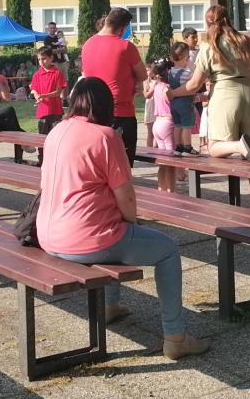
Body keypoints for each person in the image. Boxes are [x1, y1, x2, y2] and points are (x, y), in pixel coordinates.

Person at [37, 77, 209, 361]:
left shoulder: (56, 131)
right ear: (106, 106)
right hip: (86, 239)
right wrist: (132, 222)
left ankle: (110, 306)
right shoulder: (105, 136)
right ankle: (175, 338)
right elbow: (126, 199)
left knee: (115, 228)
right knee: (166, 249)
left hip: (48, 235)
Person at [169, 5, 250, 209]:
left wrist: (172, 93)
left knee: (214, 147)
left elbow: (194, 84)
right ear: (228, 19)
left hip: (225, 95)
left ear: (208, 23)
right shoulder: (247, 42)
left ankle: (238, 146)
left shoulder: (210, 45)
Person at [80, 7, 147, 164]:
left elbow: (86, 72)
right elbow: (143, 75)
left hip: (93, 111)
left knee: (98, 164)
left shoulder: (87, 44)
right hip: (120, 113)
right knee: (121, 165)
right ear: (123, 28)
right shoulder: (126, 47)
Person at [147, 61, 179, 193]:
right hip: (167, 123)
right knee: (170, 162)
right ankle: (171, 191)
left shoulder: (156, 86)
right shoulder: (167, 88)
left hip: (157, 123)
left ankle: (161, 188)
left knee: (162, 161)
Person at [167, 41, 197, 156]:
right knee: (186, 127)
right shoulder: (187, 73)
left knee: (177, 125)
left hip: (173, 104)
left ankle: (178, 147)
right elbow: (193, 84)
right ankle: (187, 147)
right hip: (185, 103)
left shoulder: (170, 72)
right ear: (187, 58)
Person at [30, 46, 67, 139]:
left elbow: (58, 92)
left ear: (51, 58)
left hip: (55, 111)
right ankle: (42, 149)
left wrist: (43, 96)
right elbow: (34, 89)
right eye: (39, 59)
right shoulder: (37, 75)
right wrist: (37, 96)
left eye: (44, 59)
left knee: (56, 137)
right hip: (43, 111)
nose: (41, 62)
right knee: (42, 137)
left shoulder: (57, 73)